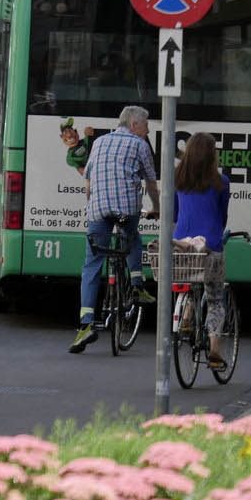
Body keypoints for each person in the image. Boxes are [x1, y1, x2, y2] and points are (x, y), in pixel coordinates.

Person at [70, 105, 161, 353]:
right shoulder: (140, 145)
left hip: (98, 210)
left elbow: (87, 181)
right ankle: (137, 286)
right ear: (133, 125)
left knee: (92, 264)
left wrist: (92, 204)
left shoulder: (99, 142)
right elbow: (151, 182)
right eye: (146, 125)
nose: (148, 130)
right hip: (125, 210)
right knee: (131, 236)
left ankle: (86, 324)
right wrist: (157, 207)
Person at [174, 131, 233, 369]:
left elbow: (175, 213)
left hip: (182, 243)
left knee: (189, 279)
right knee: (216, 299)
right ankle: (215, 351)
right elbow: (222, 216)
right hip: (210, 245)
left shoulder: (177, 177)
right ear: (212, 155)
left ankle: (186, 315)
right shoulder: (221, 182)